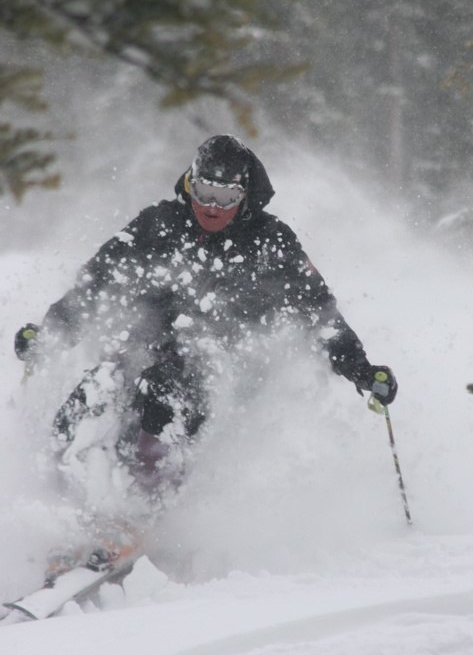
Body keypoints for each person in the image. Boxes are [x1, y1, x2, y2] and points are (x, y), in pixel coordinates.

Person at [14, 135, 397, 499]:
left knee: (162, 394)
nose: (212, 206)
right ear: (189, 185)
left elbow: (318, 311)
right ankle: (57, 498)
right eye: (203, 192)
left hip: (223, 368)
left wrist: (361, 369)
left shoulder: (271, 241)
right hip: (146, 348)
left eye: (226, 196)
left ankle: (149, 503)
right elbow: (97, 282)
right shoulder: (158, 224)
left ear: (244, 195)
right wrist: (51, 335)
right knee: (97, 392)